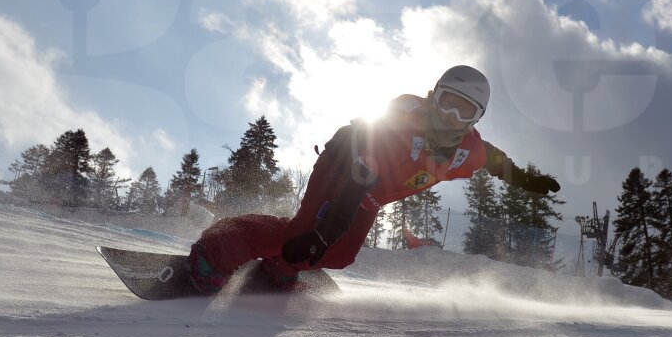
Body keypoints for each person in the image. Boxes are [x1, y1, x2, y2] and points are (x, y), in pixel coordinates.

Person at [187, 65, 561, 292]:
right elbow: (358, 176)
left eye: (465, 112)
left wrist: (528, 180)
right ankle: (214, 251)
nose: (452, 117)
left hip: (371, 196)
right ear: (434, 95)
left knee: (341, 255)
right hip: (345, 166)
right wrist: (323, 233)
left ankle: (280, 266)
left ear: (476, 119)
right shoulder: (403, 120)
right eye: (448, 102)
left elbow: (495, 160)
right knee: (304, 233)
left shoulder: (468, 149)